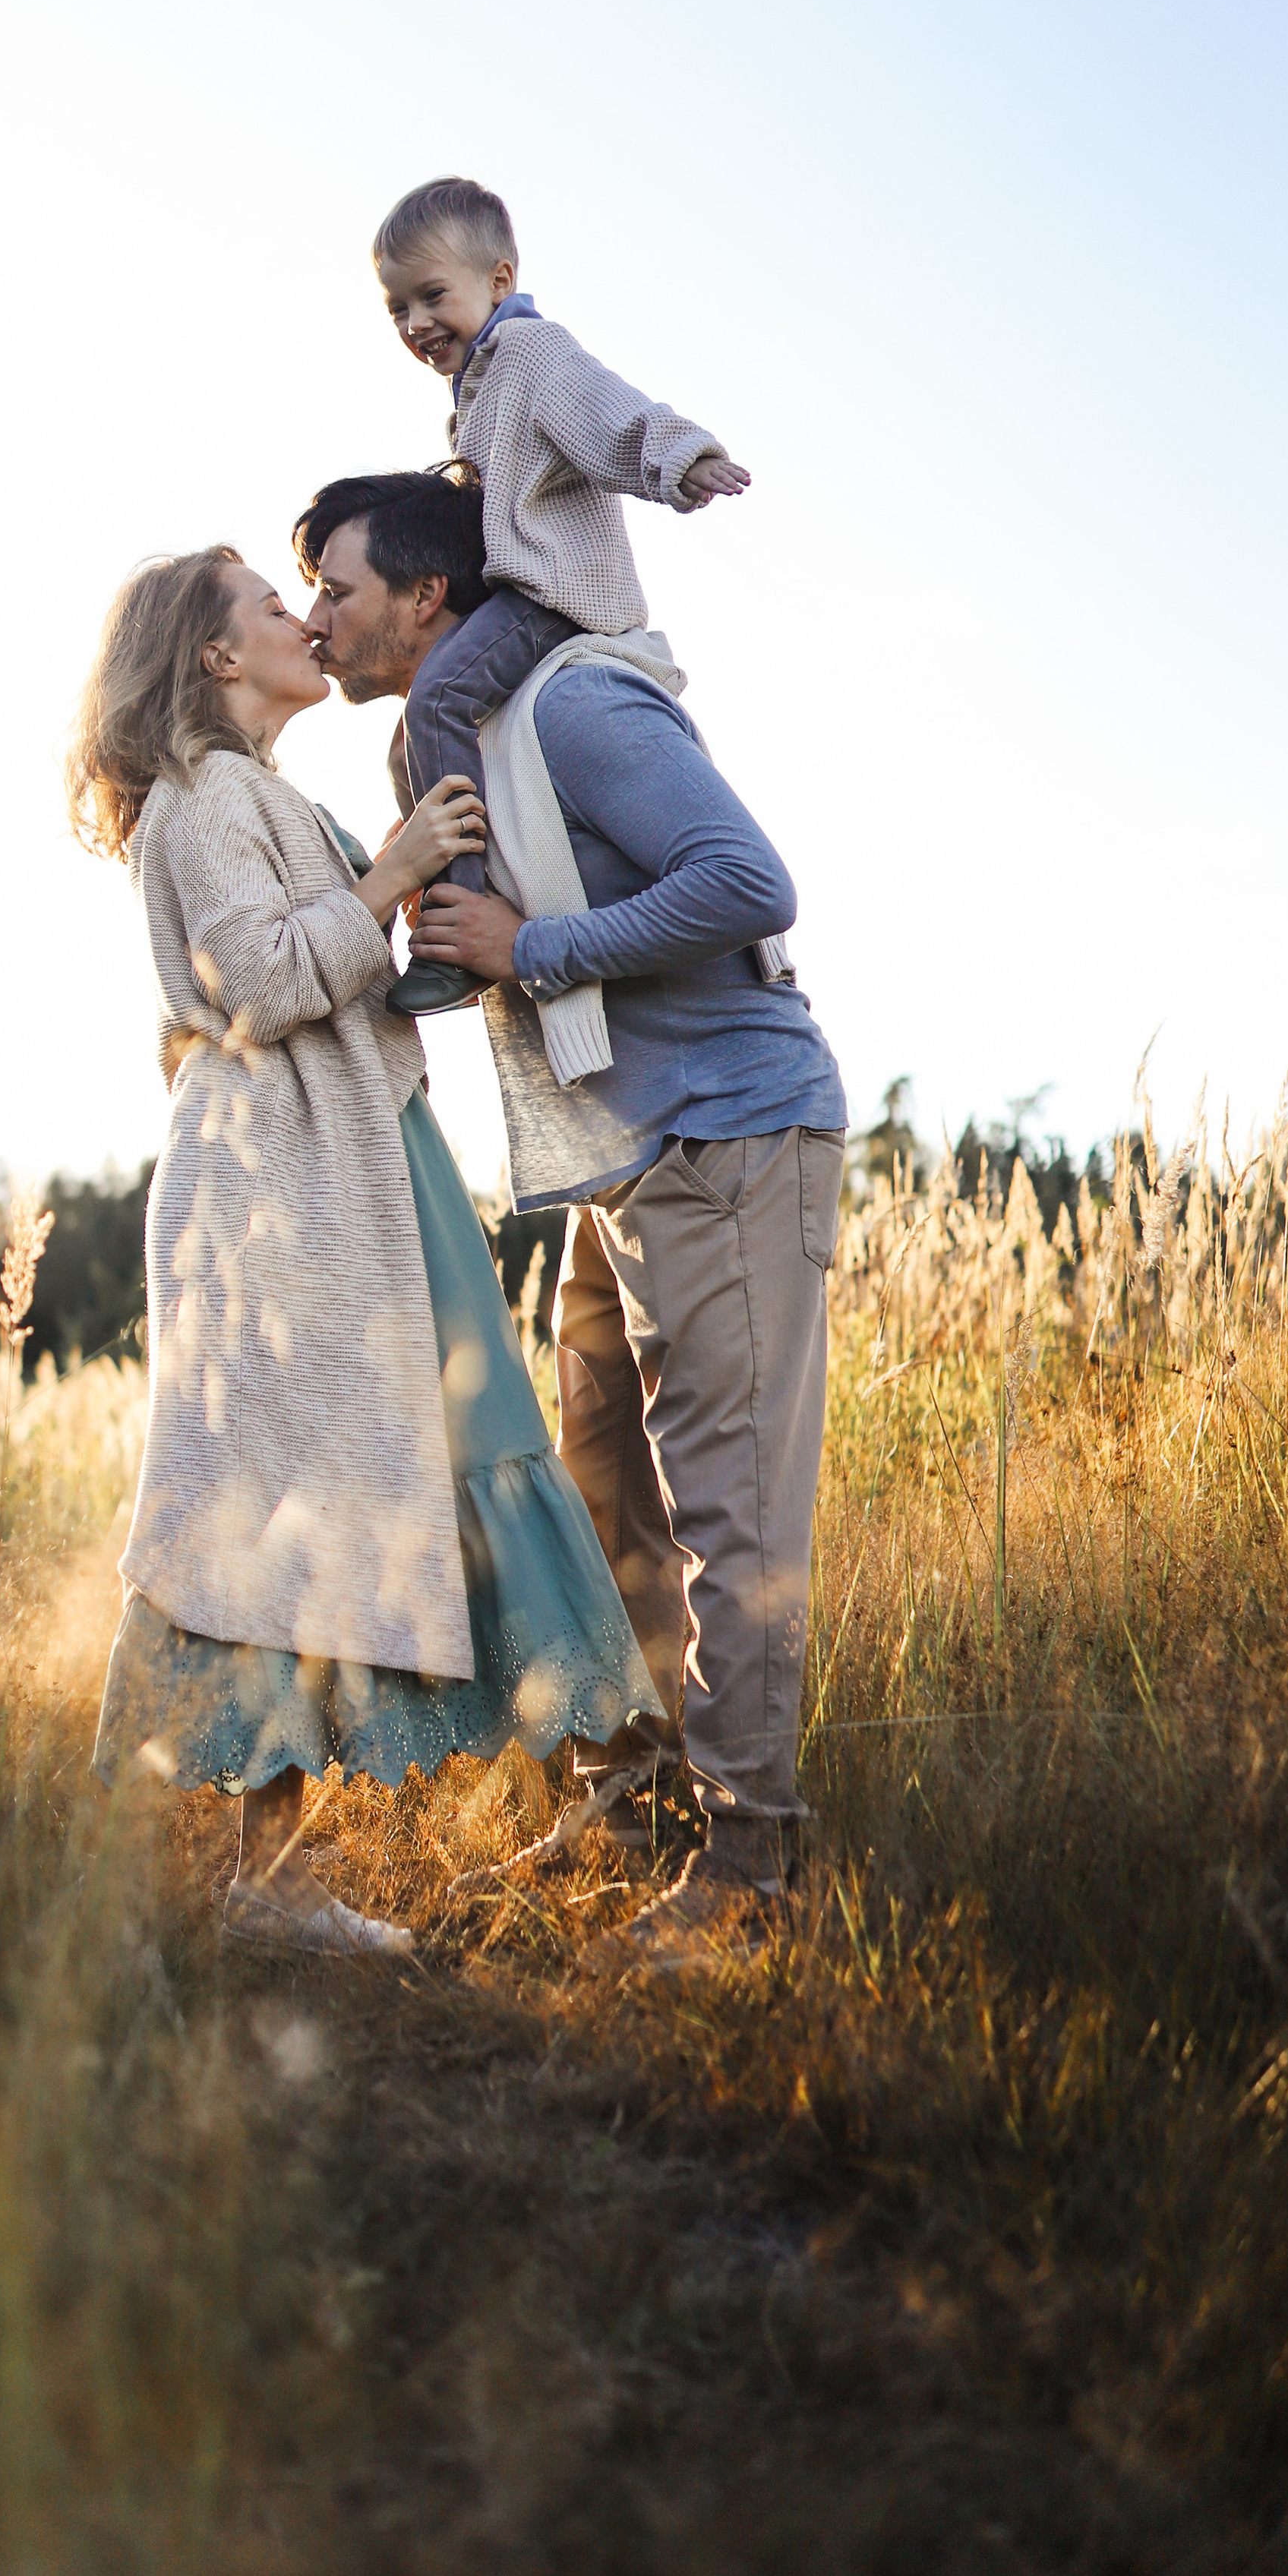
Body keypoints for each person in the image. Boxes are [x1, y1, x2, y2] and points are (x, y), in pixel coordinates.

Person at [65, 545, 662, 1955]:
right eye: (274, 606)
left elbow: (329, 977)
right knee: (307, 1491)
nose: (304, 619)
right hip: (287, 1188)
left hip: (354, 1167)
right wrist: (392, 870)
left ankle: (594, 1791)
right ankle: (296, 1876)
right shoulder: (201, 797)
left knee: (400, 1464)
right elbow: (260, 983)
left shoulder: (260, 793)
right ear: (216, 657)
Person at [295, 474, 846, 1947]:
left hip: (727, 1134)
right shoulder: (444, 753)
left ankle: (747, 1874)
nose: (315, 618)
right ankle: (634, 1804)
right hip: (614, 1166)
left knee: (729, 1516)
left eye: (338, 590)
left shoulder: (570, 710)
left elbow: (747, 882)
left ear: (428, 598)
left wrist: (532, 945)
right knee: (604, 1493)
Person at [371, 173, 750, 1017]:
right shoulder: (475, 394)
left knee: (438, 700)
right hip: (520, 596)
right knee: (407, 746)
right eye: (397, 308)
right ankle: (449, 889)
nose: (415, 322)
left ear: (499, 280)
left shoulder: (530, 355)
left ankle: (460, 916)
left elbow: (607, 410)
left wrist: (682, 458)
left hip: (556, 595)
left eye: (431, 296)